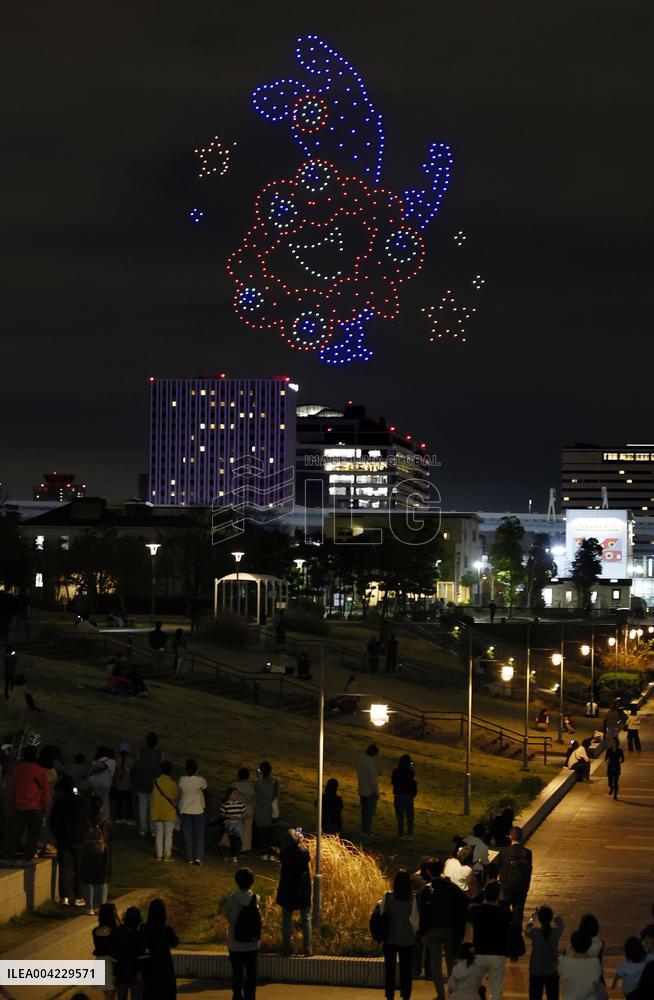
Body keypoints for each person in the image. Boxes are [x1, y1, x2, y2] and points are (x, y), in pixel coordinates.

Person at [419, 858, 468, 1000]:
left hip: (433, 930)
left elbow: (423, 914)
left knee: (436, 964)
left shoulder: (426, 890)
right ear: (442, 870)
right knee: (451, 962)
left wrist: (423, 933)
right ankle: (452, 991)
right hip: (450, 928)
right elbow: (464, 903)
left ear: (428, 871)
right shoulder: (451, 888)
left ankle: (440, 994)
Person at [5, 744, 51, 863]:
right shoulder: (41, 771)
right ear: (36, 756)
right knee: (33, 835)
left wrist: (10, 804)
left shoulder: (17, 770)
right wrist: (45, 808)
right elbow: (45, 792)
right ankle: (28, 858)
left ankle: (8, 857)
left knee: (15, 834)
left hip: (19, 807)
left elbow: (11, 788)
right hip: (35, 808)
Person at [468, 880, 512, 1000]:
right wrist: (502, 900)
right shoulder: (503, 913)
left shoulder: (476, 911)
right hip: (498, 953)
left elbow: (470, 906)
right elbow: (510, 918)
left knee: (475, 986)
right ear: (498, 895)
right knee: (496, 990)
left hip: (479, 952)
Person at [379, 868, 418, 1000]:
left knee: (390, 970)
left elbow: (381, 915)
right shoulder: (413, 899)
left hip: (390, 938)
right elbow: (415, 922)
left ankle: (390, 995)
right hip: (407, 939)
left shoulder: (387, 897)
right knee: (406, 970)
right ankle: (405, 995)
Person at [223, 867, 261, 1000]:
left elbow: (226, 914)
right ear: (252, 882)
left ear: (236, 882)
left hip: (235, 944)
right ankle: (250, 996)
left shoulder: (232, 899)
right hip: (252, 943)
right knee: (251, 973)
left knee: (237, 972)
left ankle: (237, 995)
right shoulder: (256, 899)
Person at [50, 775, 88, 907]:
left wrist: (58, 834)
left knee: (64, 869)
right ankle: (78, 897)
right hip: (79, 838)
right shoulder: (82, 801)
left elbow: (53, 821)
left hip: (64, 839)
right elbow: (86, 819)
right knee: (79, 868)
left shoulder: (60, 802)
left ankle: (64, 897)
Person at [276, 828, 311, 957]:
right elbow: (306, 859)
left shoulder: (284, 853)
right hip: (302, 888)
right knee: (306, 918)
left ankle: (286, 948)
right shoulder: (304, 852)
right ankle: (307, 948)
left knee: (286, 920)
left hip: (287, 888)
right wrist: (301, 841)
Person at [139, 898, 178, 1000]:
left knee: (149, 992)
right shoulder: (166, 930)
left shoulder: (144, 928)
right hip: (164, 968)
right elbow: (175, 942)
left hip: (149, 967)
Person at [494, 826, 533, 927]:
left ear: (510, 837)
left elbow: (498, 868)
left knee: (503, 911)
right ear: (521, 837)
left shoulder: (504, 852)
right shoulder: (527, 853)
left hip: (506, 886)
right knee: (518, 912)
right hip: (521, 887)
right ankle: (516, 933)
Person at [80, 795, 111, 916]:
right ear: (102, 806)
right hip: (102, 853)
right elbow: (110, 836)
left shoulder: (85, 819)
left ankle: (89, 907)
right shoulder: (106, 821)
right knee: (102, 880)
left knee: (89, 880)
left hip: (88, 851)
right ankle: (102, 907)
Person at [526, 905, 565, 1000]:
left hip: (536, 970)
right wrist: (554, 914)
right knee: (552, 996)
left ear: (539, 918)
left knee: (535, 996)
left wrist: (533, 917)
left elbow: (527, 928)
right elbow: (561, 924)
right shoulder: (556, 932)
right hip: (551, 970)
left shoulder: (534, 932)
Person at [131, 733, 163, 837]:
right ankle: (153, 829)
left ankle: (143, 829)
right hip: (154, 785)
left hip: (142, 783)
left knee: (142, 807)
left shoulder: (141, 753)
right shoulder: (160, 754)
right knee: (152, 807)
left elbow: (136, 767)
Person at [178, 757, 207, 865]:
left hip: (185, 809)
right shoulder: (200, 780)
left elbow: (180, 791)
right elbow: (205, 787)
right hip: (198, 809)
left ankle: (190, 857)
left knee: (188, 834)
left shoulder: (182, 779)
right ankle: (198, 857)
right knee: (199, 835)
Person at [557, 931, 602, 1000]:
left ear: (572, 945)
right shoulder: (596, 962)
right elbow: (596, 985)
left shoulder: (563, 962)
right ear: (589, 944)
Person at [114, 905, 143, 1000]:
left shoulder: (119, 933)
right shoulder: (139, 936)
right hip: (135, 972)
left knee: (121, 996)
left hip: (121, 972)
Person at [151, 761, 178, 862]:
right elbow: (175, 796)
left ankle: (159, 854)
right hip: (168, 812)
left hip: (157, 811)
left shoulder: (156, 781)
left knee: (159, 833)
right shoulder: (172, 784)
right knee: (168, 834)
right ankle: (167, 855)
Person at [92, 902, 119, 999]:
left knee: (107, 994)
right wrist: (118, 919)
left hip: (99, 963)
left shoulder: (95, 931)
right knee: (110, 994)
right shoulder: (115, 931)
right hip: (110, 964)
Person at [253, 761, 278, 861]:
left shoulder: (258, 783)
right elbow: (276, 795)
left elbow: (255, 792)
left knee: (262, 832)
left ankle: (263, 853)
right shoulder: (274, 781)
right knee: (271, 833)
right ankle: (272, 854)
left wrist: (257, 777)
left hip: (261, 809)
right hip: (271, 809)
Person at [391, 754, 417, 838]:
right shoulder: (411, 772)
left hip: (398, 795)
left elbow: (393, 782)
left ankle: (400, 833)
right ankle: (409, 833)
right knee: (409, 815)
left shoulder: (396, 771)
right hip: (408, 795)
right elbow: (412, 782)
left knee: (400, 817)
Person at [357, 743, 380, 836]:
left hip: (362, 788)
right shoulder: (370, 763)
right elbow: (373, 779)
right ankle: (366, 830)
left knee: (364, 810)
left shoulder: (361, 759)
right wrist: (376, 792)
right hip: (369, 791)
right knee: (369, 812)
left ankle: (363, 828)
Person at [233, 767, 256, 852]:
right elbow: (253, 801)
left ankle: (231, 846)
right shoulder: (251, 788)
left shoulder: (234, 786)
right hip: (248, 809)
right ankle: (244, 849)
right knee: (247, 831)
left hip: (237, 809)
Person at [220, 787, 246, 862]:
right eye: (234, 794)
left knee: (238, 840)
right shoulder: (226, 805)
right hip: (229, 825)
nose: (236, 796)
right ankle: (230, 856)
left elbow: (244, 813)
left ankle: (234, 855)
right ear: (229, 795)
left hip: (238, 824)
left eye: (237, 794)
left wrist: (240, 817)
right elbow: (222, 814)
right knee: (230, 840)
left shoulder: (240, 804)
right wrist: (229, 816)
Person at [89, 747, 116, 817]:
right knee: (105, 799)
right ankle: (105, 817)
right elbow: (112, 775)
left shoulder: (97, 760)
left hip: (94, 780)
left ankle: (96, 816)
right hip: (106, 781)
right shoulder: (112, 761)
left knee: (97, 799)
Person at [113, 744, 135, 825]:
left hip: (119, 785)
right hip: (128, 785)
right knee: (128, 803)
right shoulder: (131, 760)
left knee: (119, 802)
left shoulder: (117, 760)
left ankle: (119, 817)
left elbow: (116, 773)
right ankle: (129, 818)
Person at [605, 736, 625, 800]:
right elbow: (606, 758)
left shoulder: (620, 751)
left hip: (617, 767)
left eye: (613, 742)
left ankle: (615, 795)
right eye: (611, 742)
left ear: (616, 742)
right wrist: (607, 761)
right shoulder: (609, 750)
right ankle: (611, 787)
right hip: (610, 767)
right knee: (610, 782)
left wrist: (620, 761)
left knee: (616, 782)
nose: (611, 743)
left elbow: (623, 759)